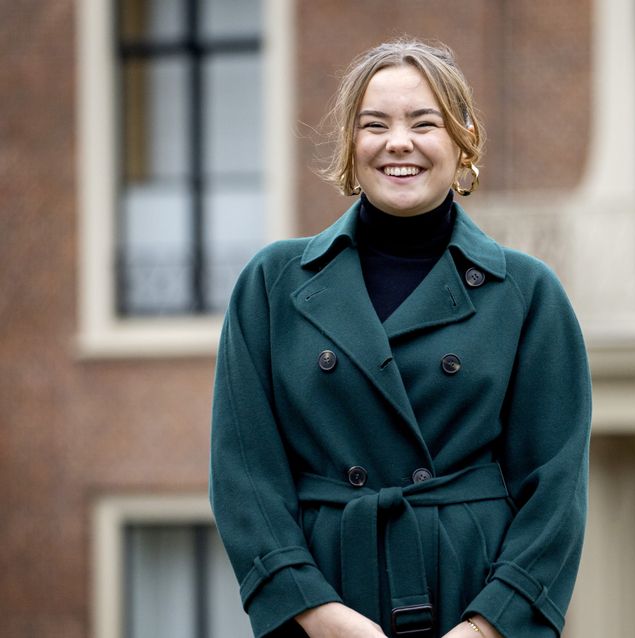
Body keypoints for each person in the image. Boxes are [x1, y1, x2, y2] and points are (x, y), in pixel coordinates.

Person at [210, 38, 591, 638]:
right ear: (351, 145)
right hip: (323, 600)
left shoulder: (526, 292)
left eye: (424, 122)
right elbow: (244, 476)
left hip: (472, 596)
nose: (399, 142)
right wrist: (319, 615)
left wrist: (488, 626)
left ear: (462, 140)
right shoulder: (272, 284)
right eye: (375, 124)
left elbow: (557, 492)